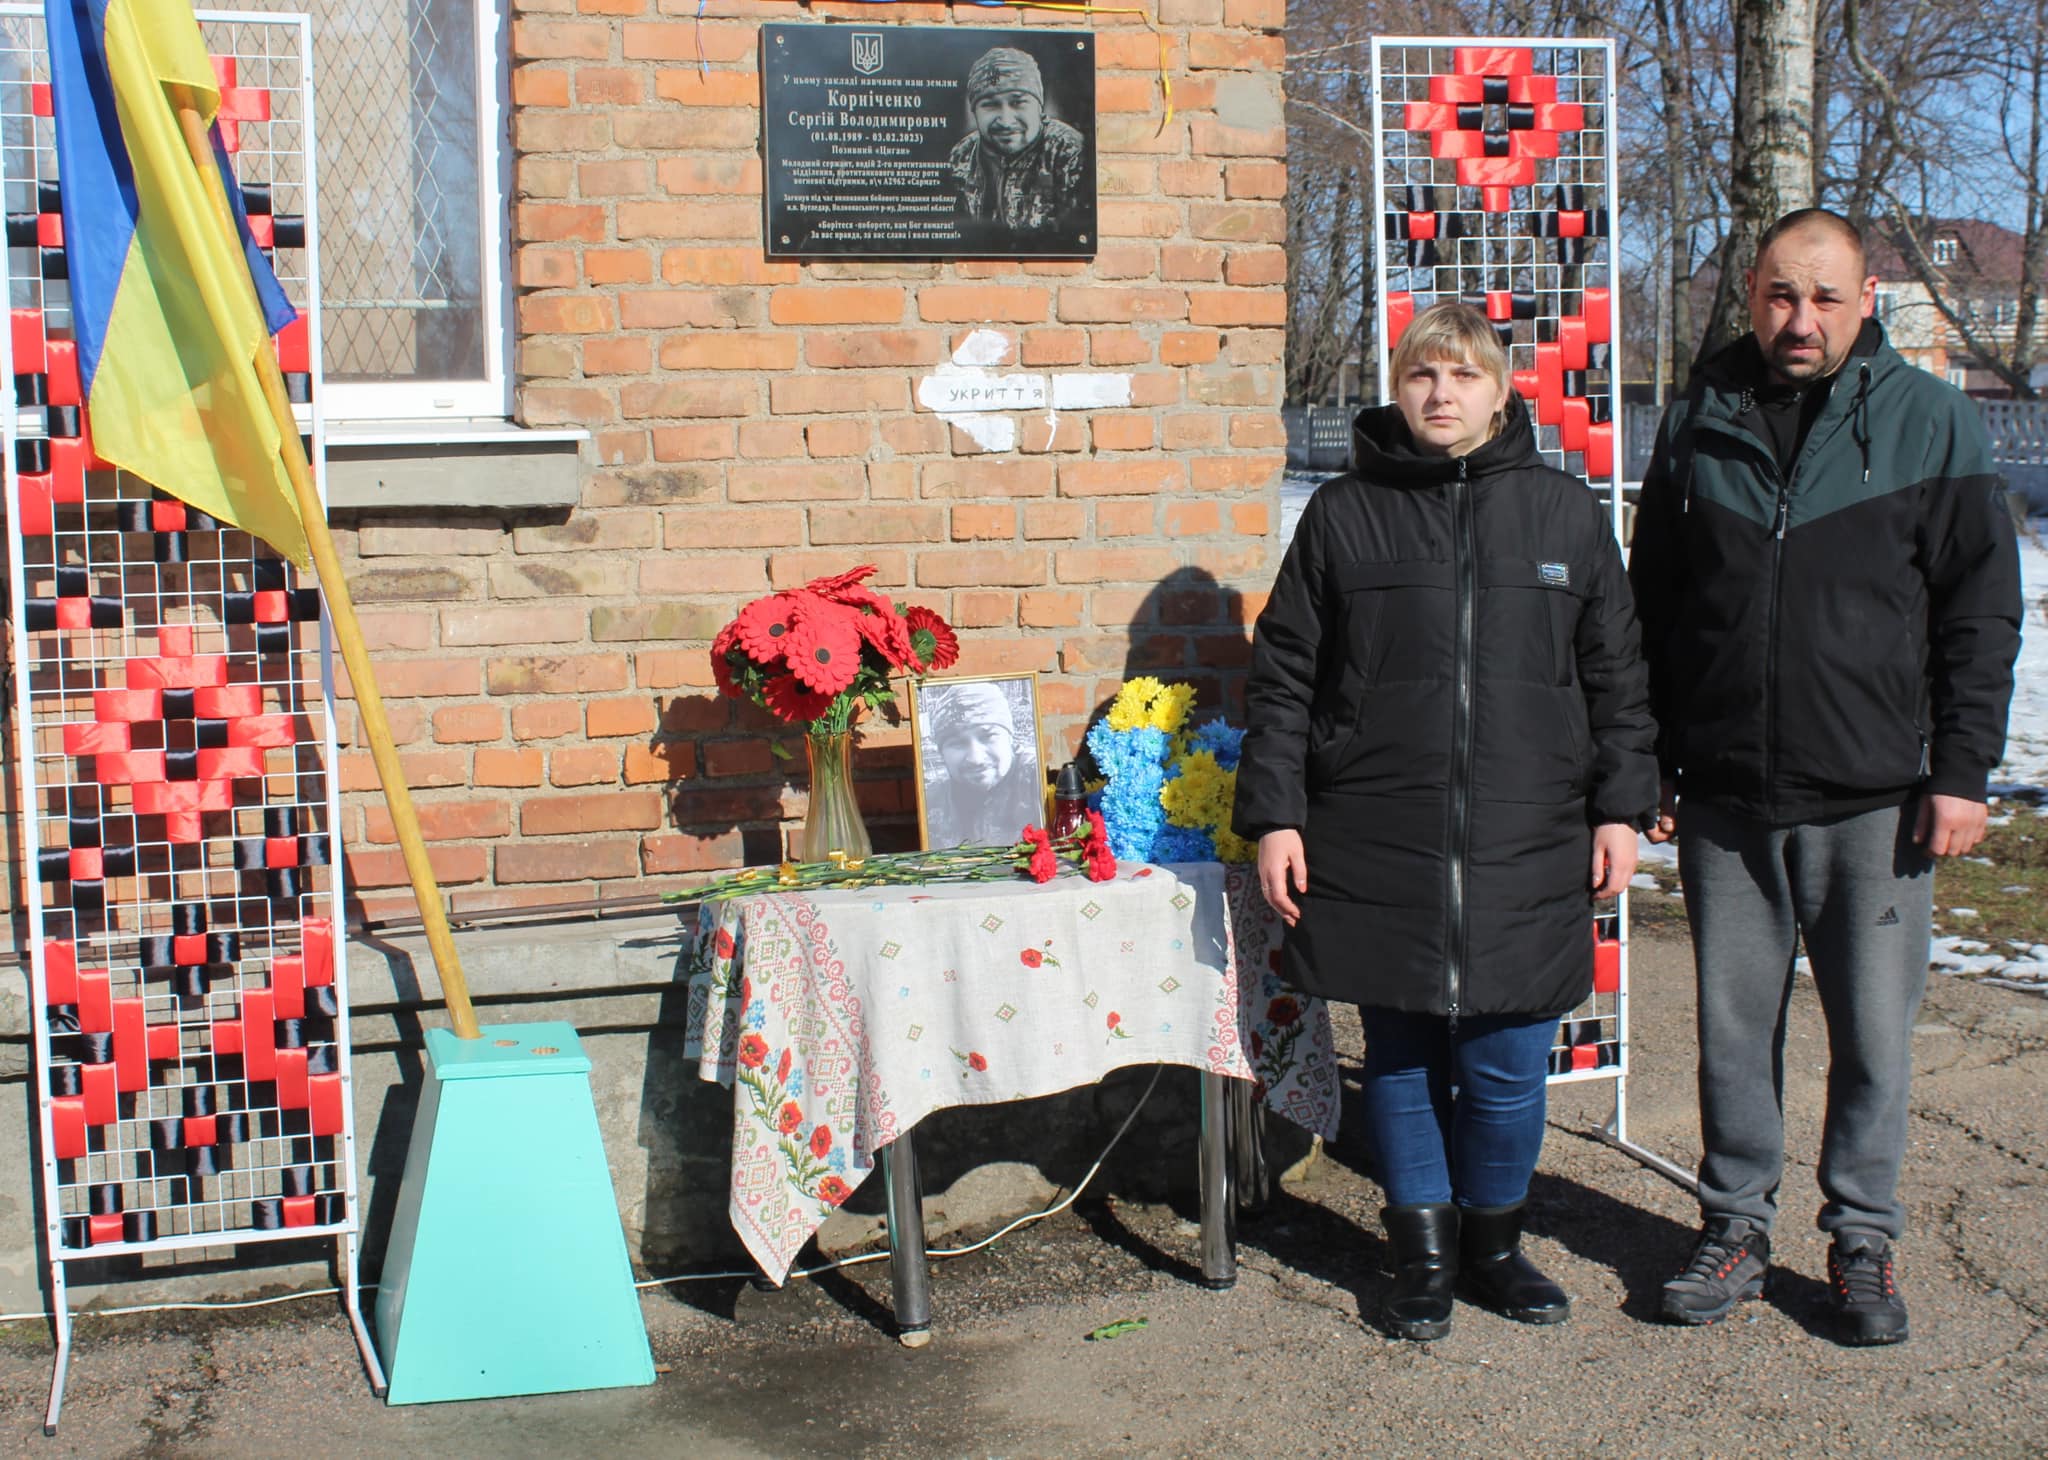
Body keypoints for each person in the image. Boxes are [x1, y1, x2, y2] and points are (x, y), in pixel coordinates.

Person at [1629, 208, 2023, 1346]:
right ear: (1750, 294)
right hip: (1724, 795)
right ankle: (1734, 1224)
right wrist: (1650, 756)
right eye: (1777, 295)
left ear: (1864, 304)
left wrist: (1958, 770)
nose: (1797, 320)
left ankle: (1859, 1237)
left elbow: (1978, 616)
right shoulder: (1699, 417)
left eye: (1823, 298)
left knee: (1871, 1036)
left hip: (1875, 800)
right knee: (1727, 1029)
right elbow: (1651, 603)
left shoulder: (1931, 421)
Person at [1233, 302, 1659, 1342]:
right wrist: (1275, 815)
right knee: (1403, 1054)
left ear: (1499, 390)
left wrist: (1621, 805)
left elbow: (1617, 675)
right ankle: (1418, 1254)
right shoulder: (1342, 515)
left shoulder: (1562, 515)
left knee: (1510, 1060)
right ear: (1398, 384)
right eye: (1422, 373)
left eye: (1462, 376)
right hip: (1376, 828)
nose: (1439, 393)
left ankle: (1495, 1245)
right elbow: (1284, 676)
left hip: (1526, 833)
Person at [946, 46, 1086, 240]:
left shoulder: (1069, 152)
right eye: (990, 105)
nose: (1005, 120)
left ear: (1039, 106)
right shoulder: (962, 154)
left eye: (1018, 102)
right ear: (974, 111)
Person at [920, 681, 1044, 849]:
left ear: (1010, 738)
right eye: (957, 743)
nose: (976, 758)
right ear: (941, 753)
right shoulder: (930, 801)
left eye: (988, 736)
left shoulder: (1038, 781)